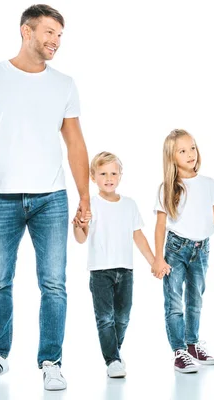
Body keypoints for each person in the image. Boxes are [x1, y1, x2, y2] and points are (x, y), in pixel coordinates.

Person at [0, 4, 89, 391]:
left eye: (60, 35)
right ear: (25, 32)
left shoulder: (64, 83)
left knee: (54, 283)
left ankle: (52, 360)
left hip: (52, 197)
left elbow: (76, 142)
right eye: (49, 32)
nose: (55, 42)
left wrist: (85, 196)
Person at [152, 129, 214, 373]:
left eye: (192, 147)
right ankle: (179, 350)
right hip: (176, 249)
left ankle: (192, 344)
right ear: (172, 157)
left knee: (195, 299)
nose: (190, 154)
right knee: (174, 301)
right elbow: (160, 226)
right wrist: (158, 257)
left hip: (201, 250)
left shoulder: (208, 184)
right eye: (182, 151)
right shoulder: (168, 188)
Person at [73, 151, 157, 378]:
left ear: (120, 175)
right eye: (102, 173)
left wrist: (153, 261)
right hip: (100, 271)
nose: (108, 178)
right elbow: (81, 238)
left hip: (125, 270)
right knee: (105, 318)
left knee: (123, 316)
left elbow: (138, 236)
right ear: (93, 177)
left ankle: (114, 351)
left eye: (113, 173)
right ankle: (112, 359)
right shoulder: (90, 204)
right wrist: (79, 225)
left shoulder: (129, 205)